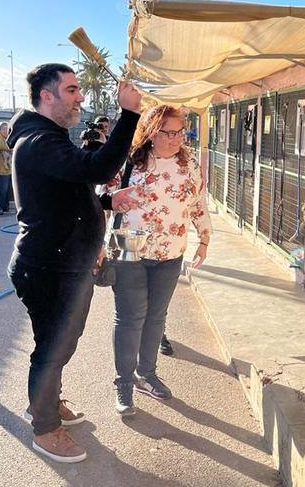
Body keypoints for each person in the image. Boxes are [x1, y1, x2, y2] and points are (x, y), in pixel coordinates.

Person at [6, 63, 141, 464]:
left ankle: (45, 403)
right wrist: (129, 114)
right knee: (52, 348)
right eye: (72, 89)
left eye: (78, 89)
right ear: (46, 96)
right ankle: (45, 427)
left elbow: (61, 193)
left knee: (59, 345)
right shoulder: (38, 141)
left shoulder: (49, 138)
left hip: (65, 265)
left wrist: (104, 202)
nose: (80, 96)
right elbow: (97, 167)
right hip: (50, 268)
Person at [108, 104, 212, 416]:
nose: (177, 138)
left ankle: (147, 373)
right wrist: (98, 243)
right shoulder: (128, 160)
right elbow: (103, 199)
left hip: (171, 248)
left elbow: (197, 203)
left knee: (156, 317)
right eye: (169, 132)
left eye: (181, 131)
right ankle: (124, 384)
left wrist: (204, 238)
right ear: (152, 132)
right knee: (129, 318)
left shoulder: (189, 163)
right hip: (129, 244)